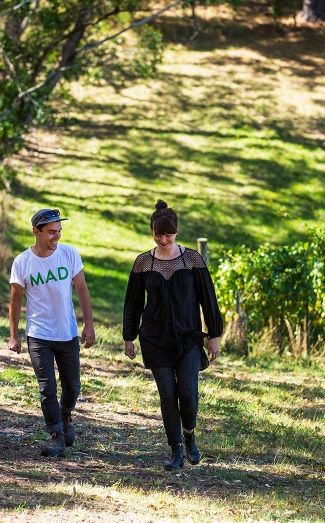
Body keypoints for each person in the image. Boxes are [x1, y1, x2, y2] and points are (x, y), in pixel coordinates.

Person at [123, 200, 223, 470]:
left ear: (177, 231)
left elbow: (208, 298)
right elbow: (133, 302)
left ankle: (189, 435)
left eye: (168, 234)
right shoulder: (143, 263)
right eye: (159, 235)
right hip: (155, 339)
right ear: (152, 233)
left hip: (188, 337)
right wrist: (128, 337)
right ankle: (175, 450)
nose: (164, 239)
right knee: (168, 395)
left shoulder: (192, 260)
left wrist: (214, 334)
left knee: (188, 393)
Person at [8, 208, 95, 457]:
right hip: (38, 334)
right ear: (36, 231)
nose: (56, 237)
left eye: (59, 231)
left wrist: (88, 324)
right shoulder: (22, 262)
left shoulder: (69, 254)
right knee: (47, 388)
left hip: (67, 332)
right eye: (50, 232)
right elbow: (15, 302)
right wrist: (13, 335)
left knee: (73, 386)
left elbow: (81, 289)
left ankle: (66, 416)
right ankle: (56, 435)